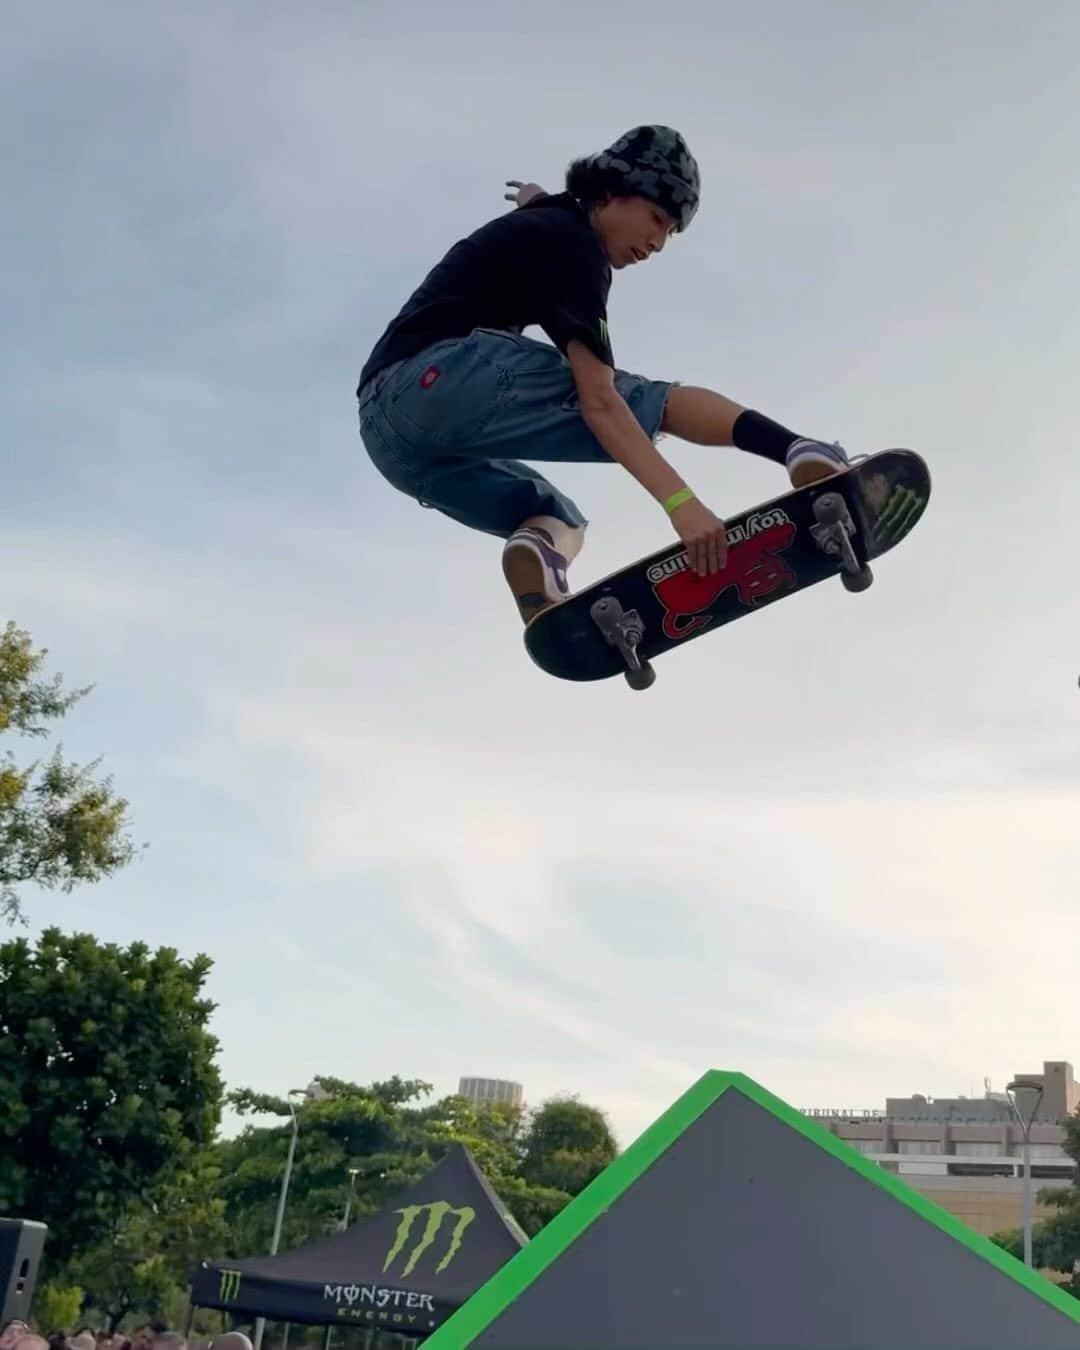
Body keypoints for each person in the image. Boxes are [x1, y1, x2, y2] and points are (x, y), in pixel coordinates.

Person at [356, 125, 851, 624]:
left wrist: (534, 197)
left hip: (389, 438)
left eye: (670, 233)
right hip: (444, 374)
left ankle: (543, 595)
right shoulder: (575, 245)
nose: (657, 242)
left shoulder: (552, 220)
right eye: (656, 219)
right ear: (613, 192)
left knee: (556, 522)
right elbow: (599, 402)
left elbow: (553, 207)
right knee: (640, 401)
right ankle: (800, 450)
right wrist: (681, 503)